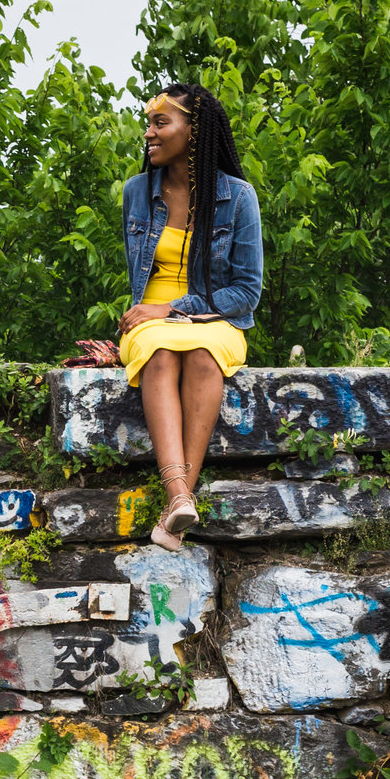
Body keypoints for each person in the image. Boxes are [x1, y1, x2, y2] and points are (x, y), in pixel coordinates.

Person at [118, 81, 263, 550]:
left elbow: (245, 292)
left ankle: (175, 500)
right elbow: (142, 280)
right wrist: (157, 313)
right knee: (158, 350)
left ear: (194, 131)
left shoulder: (238, 198)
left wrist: (175, 309)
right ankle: (180, 496)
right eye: (149, 123)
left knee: (202, 354)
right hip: (151, 318)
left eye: (161, 122)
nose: (149, 133)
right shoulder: (137, 192)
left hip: (216, 317)